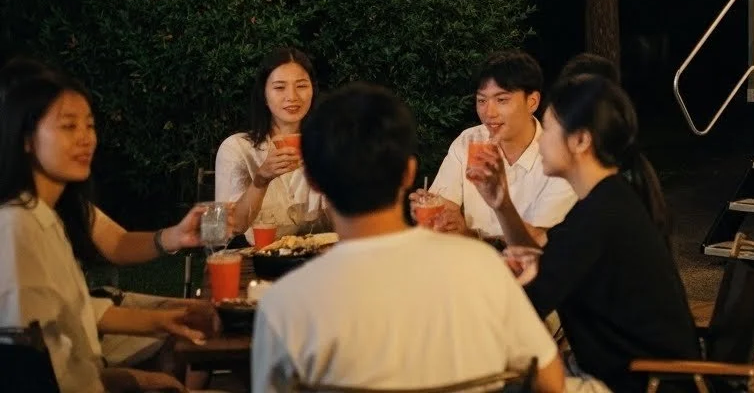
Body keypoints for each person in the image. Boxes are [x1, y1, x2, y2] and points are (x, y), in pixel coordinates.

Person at [251, 82, 565, 392]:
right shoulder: (484, 268)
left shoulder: (284, 305)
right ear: (409, 173)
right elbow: (551, 382)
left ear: (312, 181)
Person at [467, 74, 699, 393]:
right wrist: (504, 206)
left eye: (549, 130)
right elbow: (552, 267)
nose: (541, 141)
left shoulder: (600, 214)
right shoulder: (608, 199)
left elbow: (527, 307)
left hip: (634, 383)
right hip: (619, 372)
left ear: (580, 141)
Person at [0, 71, 218, 392]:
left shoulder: (48, 217)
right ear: (26, 139)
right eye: (68, 126)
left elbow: (73, 313)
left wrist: (161, 322)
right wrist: (128, 380)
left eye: (89, 125)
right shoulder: (17, 228)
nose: (85, 138)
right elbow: (27, 362)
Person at [422, 51, 575, 241]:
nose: (489, 113)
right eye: (481, 100)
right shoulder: (469, 141)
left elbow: (537, 243)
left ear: (532, 102)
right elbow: (444, 211)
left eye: (502, 100)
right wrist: (434, 215)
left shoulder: (559, 159)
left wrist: (468, 234)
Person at [216, 47, 329, 245]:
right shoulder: (237, 148)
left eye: (301, 86)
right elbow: (227, 229)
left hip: (320, 257)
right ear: (264, 95)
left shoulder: (329, 144)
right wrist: (260, 180)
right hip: (258, 257)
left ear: (313, 90)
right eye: (279, 87)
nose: (292, 96)